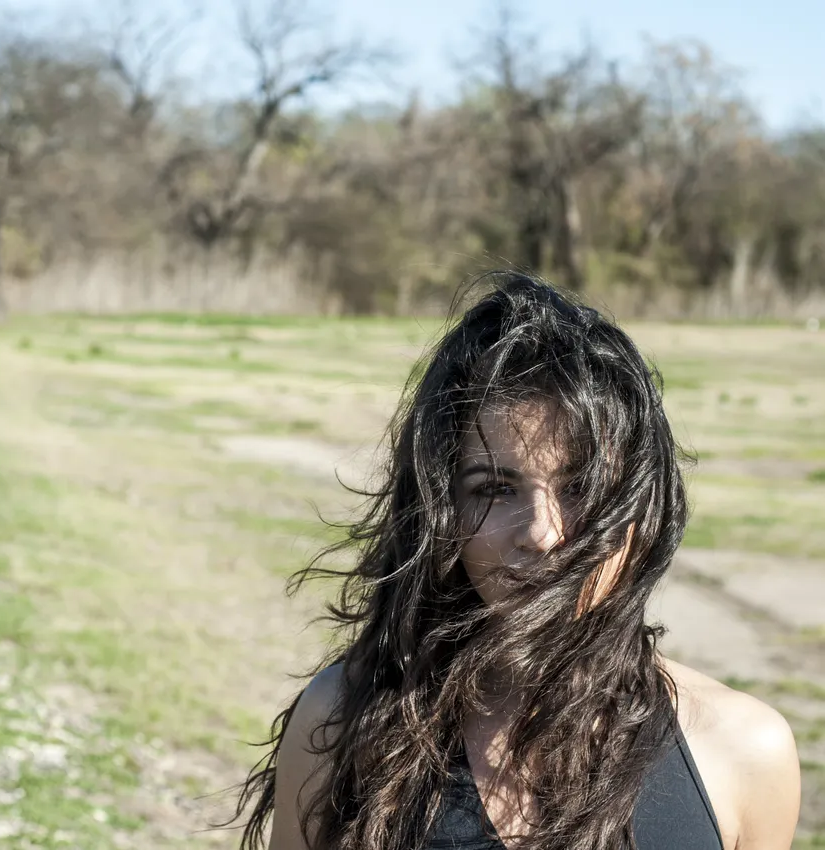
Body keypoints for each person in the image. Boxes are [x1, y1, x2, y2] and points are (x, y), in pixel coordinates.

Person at [228, 273, 801, 849]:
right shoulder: (343, 722)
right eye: (496, 489)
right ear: (439, 511)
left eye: (582, 487)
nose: (543, 534)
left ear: (643, 506)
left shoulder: (744, 753)